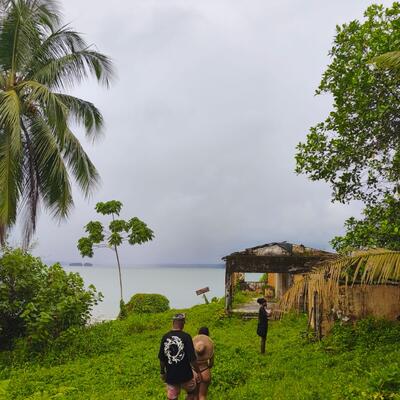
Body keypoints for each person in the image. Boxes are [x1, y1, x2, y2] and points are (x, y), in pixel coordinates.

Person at [159, 313, 201, 400]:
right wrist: (198, 372)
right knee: (192, 393)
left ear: (173, 322)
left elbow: (162, 358)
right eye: (184, 322)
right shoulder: (186, 337)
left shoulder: (165, 337)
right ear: (182, 323)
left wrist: (162, 372)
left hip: (171, 376)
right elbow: (192, 359)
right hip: (186, 376)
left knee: (172, 398)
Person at [192, 327, 214, 400]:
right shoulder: (209, 347)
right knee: (202, 396)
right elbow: (211, 363)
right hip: (205, 371)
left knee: (194, 396)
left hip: (194, 371)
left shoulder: (193, 346)